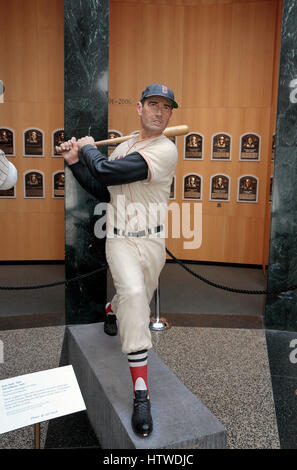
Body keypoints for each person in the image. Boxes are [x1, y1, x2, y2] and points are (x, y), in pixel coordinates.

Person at [59, 84, 178, 438]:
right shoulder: (125, 146)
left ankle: (111, 309)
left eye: (166, 107)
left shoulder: (166, 150)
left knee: (131, 299)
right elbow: (103, 188)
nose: (160, 112)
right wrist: (76, 162)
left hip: (154, 240)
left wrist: (90, 149)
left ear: (171, 114)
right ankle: (142, 393)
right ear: (139, 108)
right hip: (121, 238)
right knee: (136, 299)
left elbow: (110, 173)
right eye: (153, 105)